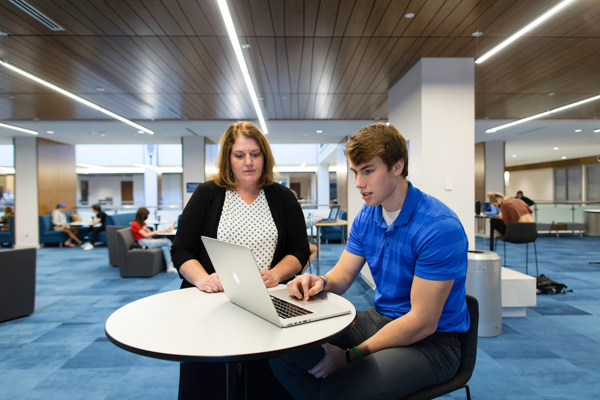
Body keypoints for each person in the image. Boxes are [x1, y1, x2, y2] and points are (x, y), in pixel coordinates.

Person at [269, 123, 469, 400]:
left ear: (397, 167)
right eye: (355, 172)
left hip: (432, 343)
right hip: (380, 319)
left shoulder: (439, 226)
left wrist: (351, 357)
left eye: (368, 171)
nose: (358, 183)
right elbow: (343, 274)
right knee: (285, 356)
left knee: (341, 385)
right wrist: (320, 281)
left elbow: (422, 322)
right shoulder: (368, 214)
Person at [171, 121, 310, 400]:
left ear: (265, 157)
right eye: (239, 155)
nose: (248, 162)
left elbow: (299, 250)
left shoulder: (282, 197)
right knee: (210, 382)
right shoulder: (208, 193)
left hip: (266, 300)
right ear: (228, 159)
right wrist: (203, 278)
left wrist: (277, 273)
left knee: (267, 379)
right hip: (214, 301)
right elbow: (182, 249)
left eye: (255, 154)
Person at [131, 207, 177, 273]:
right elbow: (145, 235)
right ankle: (175, 259)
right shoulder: (135, 224)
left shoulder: (143, 223)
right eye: (146, 215)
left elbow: (149, 233)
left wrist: (162, 231)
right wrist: (157, 231)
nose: (146, 217)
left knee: (165, 247)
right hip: (143, 242)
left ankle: (169, 267)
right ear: (142, 215)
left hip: (150, 240)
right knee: (167, 241)